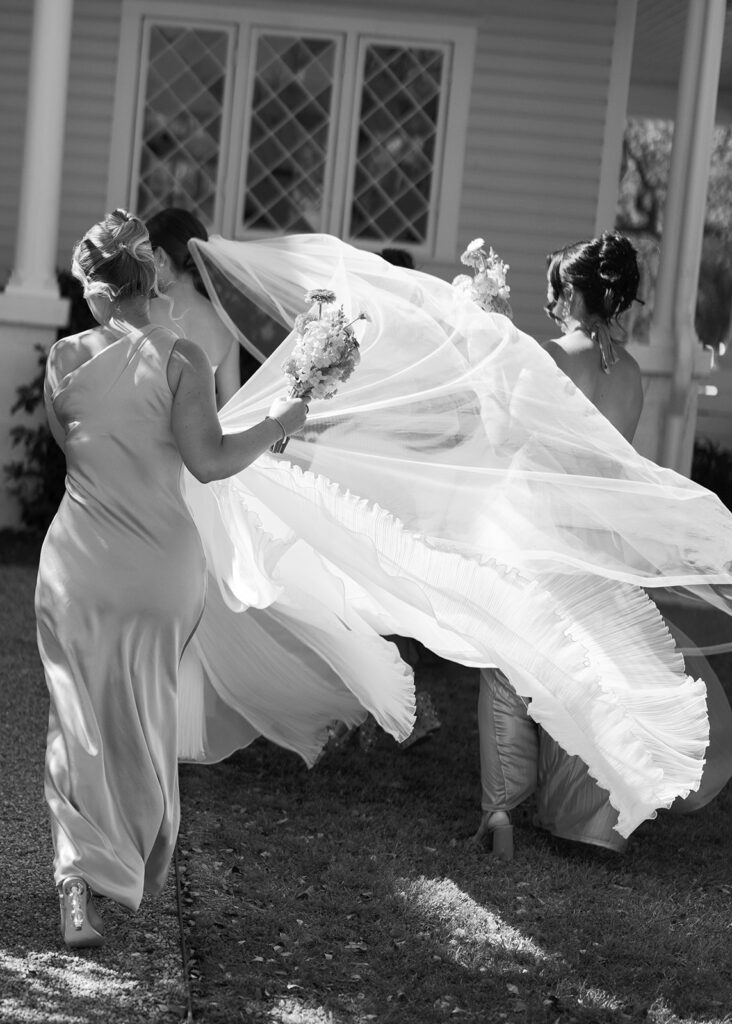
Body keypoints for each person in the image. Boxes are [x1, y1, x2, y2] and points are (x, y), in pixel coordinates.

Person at [37, 209, 308, 947]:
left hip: (77, 566)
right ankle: (122, 857)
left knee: (78, 720)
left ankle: (77, 886)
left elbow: (74, 450)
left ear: (95, 290)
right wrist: (282, 419)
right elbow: (210, 461)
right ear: (148, 277)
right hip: (159, 569)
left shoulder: (62, 361)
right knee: (142, 715)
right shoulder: (183, 357)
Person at [473, 232, 732, 858]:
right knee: (588, 667)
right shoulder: (634, 375)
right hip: (594, 539)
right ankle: (588, 821)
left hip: (536, 529)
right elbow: (613, 467)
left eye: (560, 292)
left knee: (511, 663)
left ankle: (501, 813)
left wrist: (489, 367)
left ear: (573, 292)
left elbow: (505, 437)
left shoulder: (551, 358)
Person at [146, 207, 249, 406]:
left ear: (159, 256)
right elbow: (231, 406)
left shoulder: (142, 312)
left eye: (145, 256)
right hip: (198, 436)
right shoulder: (225, 322)